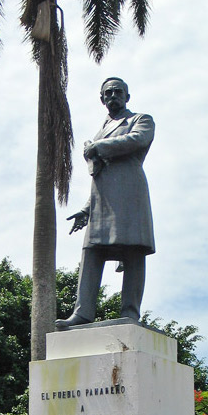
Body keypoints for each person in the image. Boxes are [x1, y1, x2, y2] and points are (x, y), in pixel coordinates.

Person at [55, 77, 155, 329]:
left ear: (127, 96)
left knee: (133, 251)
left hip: (130, 192)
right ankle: (83, 312)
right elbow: (98, 176)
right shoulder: (102, 128)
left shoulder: (141, 120)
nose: (113, 96)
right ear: (102, 99)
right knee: (91, 252)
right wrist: (86, 209)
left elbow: (136, 140)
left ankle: (130, 312)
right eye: (108, 93)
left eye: (118, 92)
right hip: (102, 200)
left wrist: (97, 147)